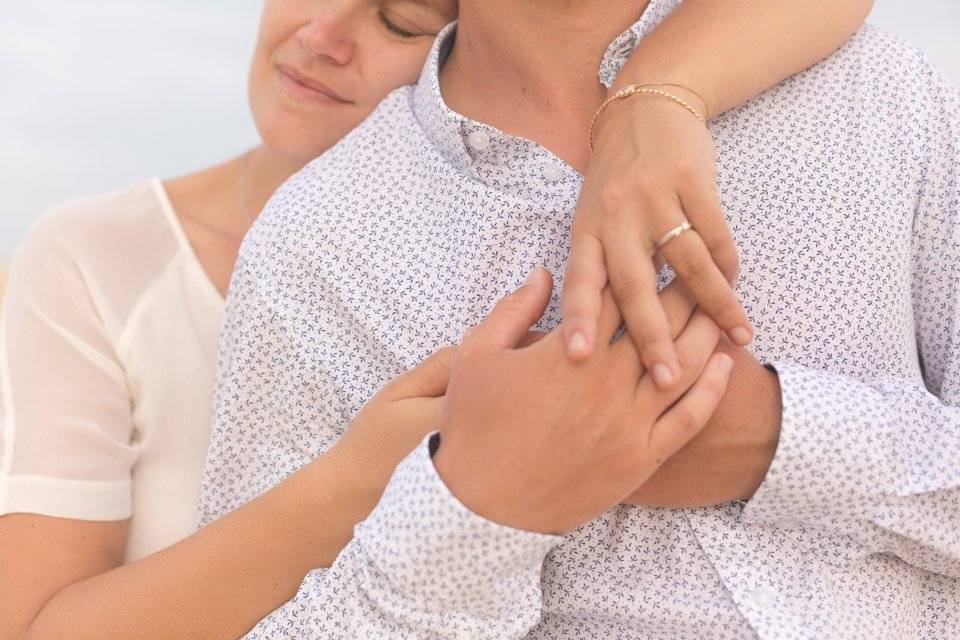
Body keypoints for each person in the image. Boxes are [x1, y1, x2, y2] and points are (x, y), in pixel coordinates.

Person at [0, 1, 875, 639]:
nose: (324, 38)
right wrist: (378, 472)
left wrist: (658, 94)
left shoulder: (520, 244)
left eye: (401, 21)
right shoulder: (103, 256)